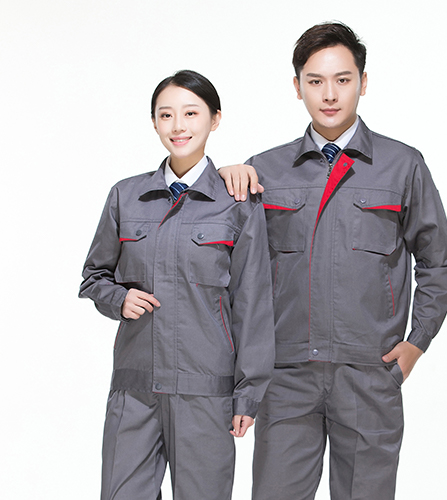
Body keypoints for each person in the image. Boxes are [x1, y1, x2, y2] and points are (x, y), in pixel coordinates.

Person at [219, 22, 447, 500]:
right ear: (297, 87)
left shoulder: (402, 164)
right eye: (315, 81)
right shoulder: (264, 169)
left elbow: (439, 259)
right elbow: (233, 272)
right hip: (286, 374)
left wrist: (417, 342)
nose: (329, 94)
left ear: (363, 83)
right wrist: (217, 178)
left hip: (369, 373)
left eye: (343, 79)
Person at [79, 70, 275, 500]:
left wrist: (248, 394)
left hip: (205, 394)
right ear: (154, 123)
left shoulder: (237, 202)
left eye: (191, 113)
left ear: (215, 119)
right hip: (135, 390)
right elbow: (94, 276)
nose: (178, 126)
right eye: (166, 115)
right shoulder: (126, 196)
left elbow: (253, 303)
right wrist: (118, 298)